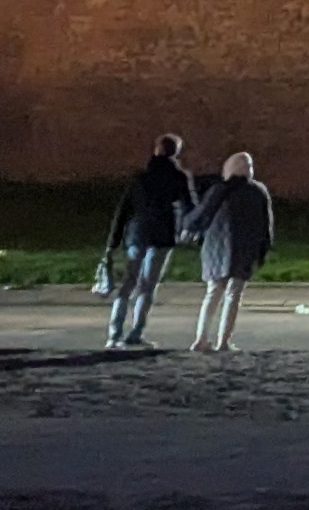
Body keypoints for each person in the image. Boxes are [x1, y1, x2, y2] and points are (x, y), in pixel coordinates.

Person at [102, 134, 197, 350]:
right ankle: (136, 333)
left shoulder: (140, 178)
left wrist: (112, 243)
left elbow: (123, 211)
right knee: (148, 286)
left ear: (156, 150)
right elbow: (189, 205)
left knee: (128, 284)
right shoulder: (178, 176)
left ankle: (114, 335)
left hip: (137, 235)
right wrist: (189, 229)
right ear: (176, 152)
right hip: (162, 236)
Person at [182, 149, 275, 351]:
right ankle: (223, 341)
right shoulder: (258, 191)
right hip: (244, 250)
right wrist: (263, 250)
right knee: (234, 295)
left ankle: (201, 339)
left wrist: (188, 227)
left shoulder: (220, 189)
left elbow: (203, 213)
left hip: (217, 248)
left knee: (213, 293)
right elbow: (265, 225)